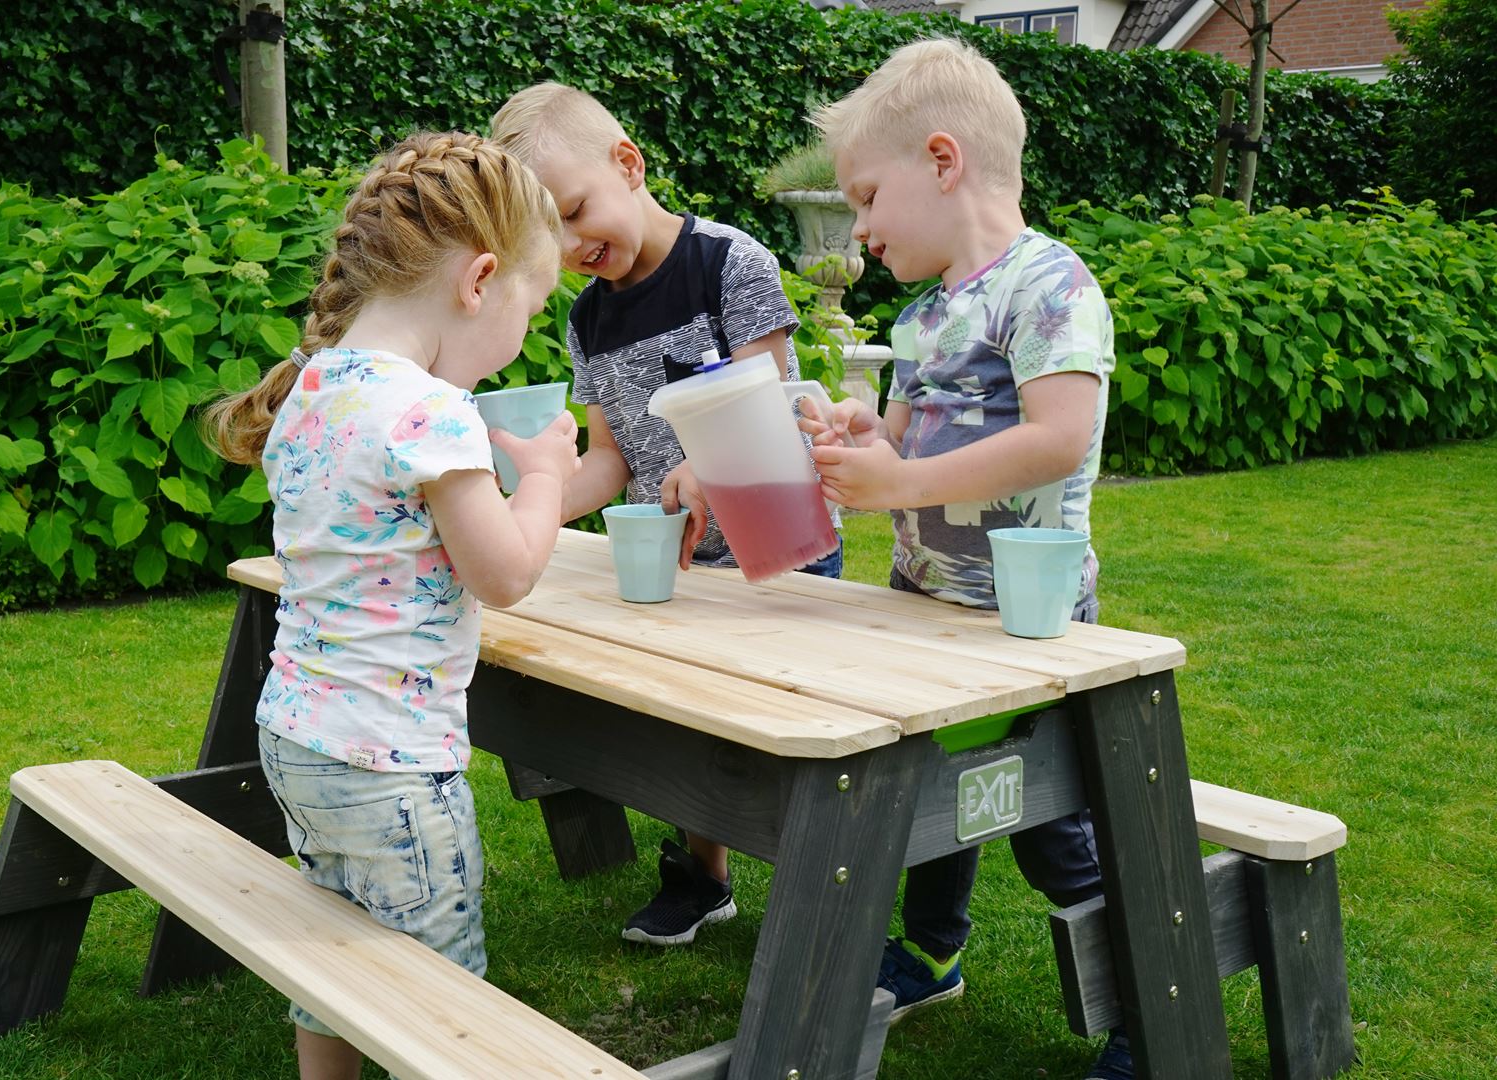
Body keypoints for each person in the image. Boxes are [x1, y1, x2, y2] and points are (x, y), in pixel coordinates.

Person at [204, 131, 577, 1080]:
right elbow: (504, 574)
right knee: (437, 1000)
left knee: (332, 946)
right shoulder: (433, 411)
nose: (518, 342)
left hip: (298, 735)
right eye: (529, 310)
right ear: (479, 278)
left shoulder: (312, 388)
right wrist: (543, 475)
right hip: (392, 762)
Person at [799, 38, 1129, 1080]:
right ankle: (933, 953)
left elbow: (1056, 437)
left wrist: (893, 484)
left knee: (1045, 823)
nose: (856, 228)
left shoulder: (1047, 287)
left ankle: (1139, 1001)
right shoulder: (925, 311)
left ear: (942, 160)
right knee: (927, 799)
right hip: (927, 607)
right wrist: (866, 437)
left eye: (863, 196)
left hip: (1025, 625)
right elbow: (905, 447)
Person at [490, 81, 845, 950]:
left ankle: (830, 876)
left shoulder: (729, 264)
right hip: (675, 563)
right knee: (679, 727)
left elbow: (767, 402)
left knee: (785, 732)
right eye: (551, 237)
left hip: (776, 546)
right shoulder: (586, 318)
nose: (573, 246)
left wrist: (705, 456)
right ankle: (704, 879)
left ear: (628, 164)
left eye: (576, 213)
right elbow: (609, 457)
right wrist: (525, 504)